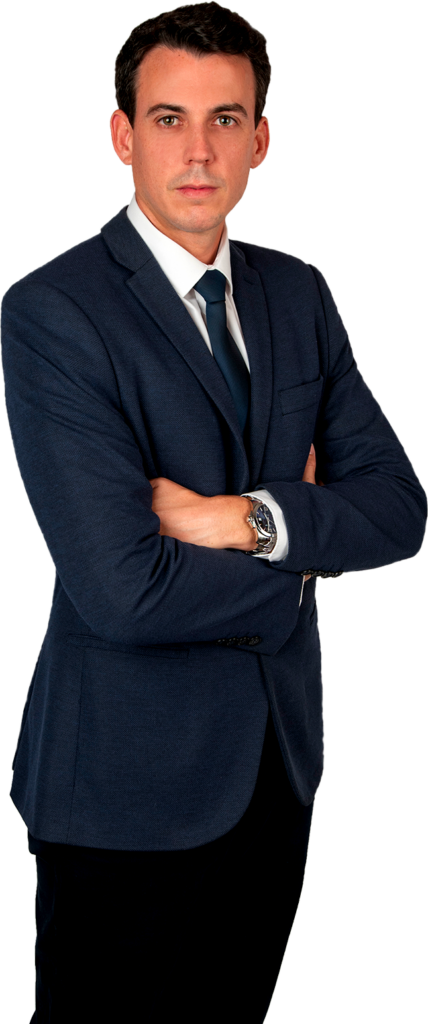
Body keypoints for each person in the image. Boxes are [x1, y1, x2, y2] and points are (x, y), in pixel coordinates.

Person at [1, 4, 426, 1022]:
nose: (198, 151)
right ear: (122, 135)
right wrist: (300, 569)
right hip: (123, 789)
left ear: (260, 139)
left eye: (225, 119)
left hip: (275, 774)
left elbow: (397, 509)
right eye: (168, 119)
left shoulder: (299, 295)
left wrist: (246, 521)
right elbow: (121, 589)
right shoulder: (55, 310)